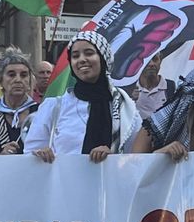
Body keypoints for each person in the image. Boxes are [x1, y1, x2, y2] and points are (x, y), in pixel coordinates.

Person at [25, 31, 142, 163]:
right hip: (65, 183)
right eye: (75, 56)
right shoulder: (54, 107)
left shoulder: (125, 107)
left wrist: (113, 156)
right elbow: (30, 155)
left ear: (103, 58)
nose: (81, 59)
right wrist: (42, 154)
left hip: (111, 182)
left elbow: (137, 157)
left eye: (89, 53)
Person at [133, 53, 175, 121]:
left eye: (155, 59)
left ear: (160, 61)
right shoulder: (130, 89)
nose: (151, 64)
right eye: (147, 61)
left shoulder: (171, 87)